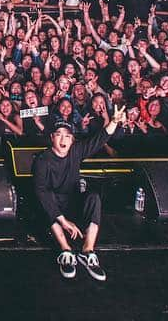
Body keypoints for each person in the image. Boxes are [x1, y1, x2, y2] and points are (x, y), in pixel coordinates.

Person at [33, 105, 127, 281]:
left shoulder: (76, 151)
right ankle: (66, 251)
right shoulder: (42, 160)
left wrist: (113, 122)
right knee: (46, 202)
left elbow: (99, 139)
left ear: (72, 140)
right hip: (53, 210)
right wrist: (64, 221)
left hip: (71, 203)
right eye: (59, 134)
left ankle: (87, 251)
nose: (63, 139)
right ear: (52, 137)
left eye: (67, 136)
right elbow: (42, 193)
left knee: (94, 198)